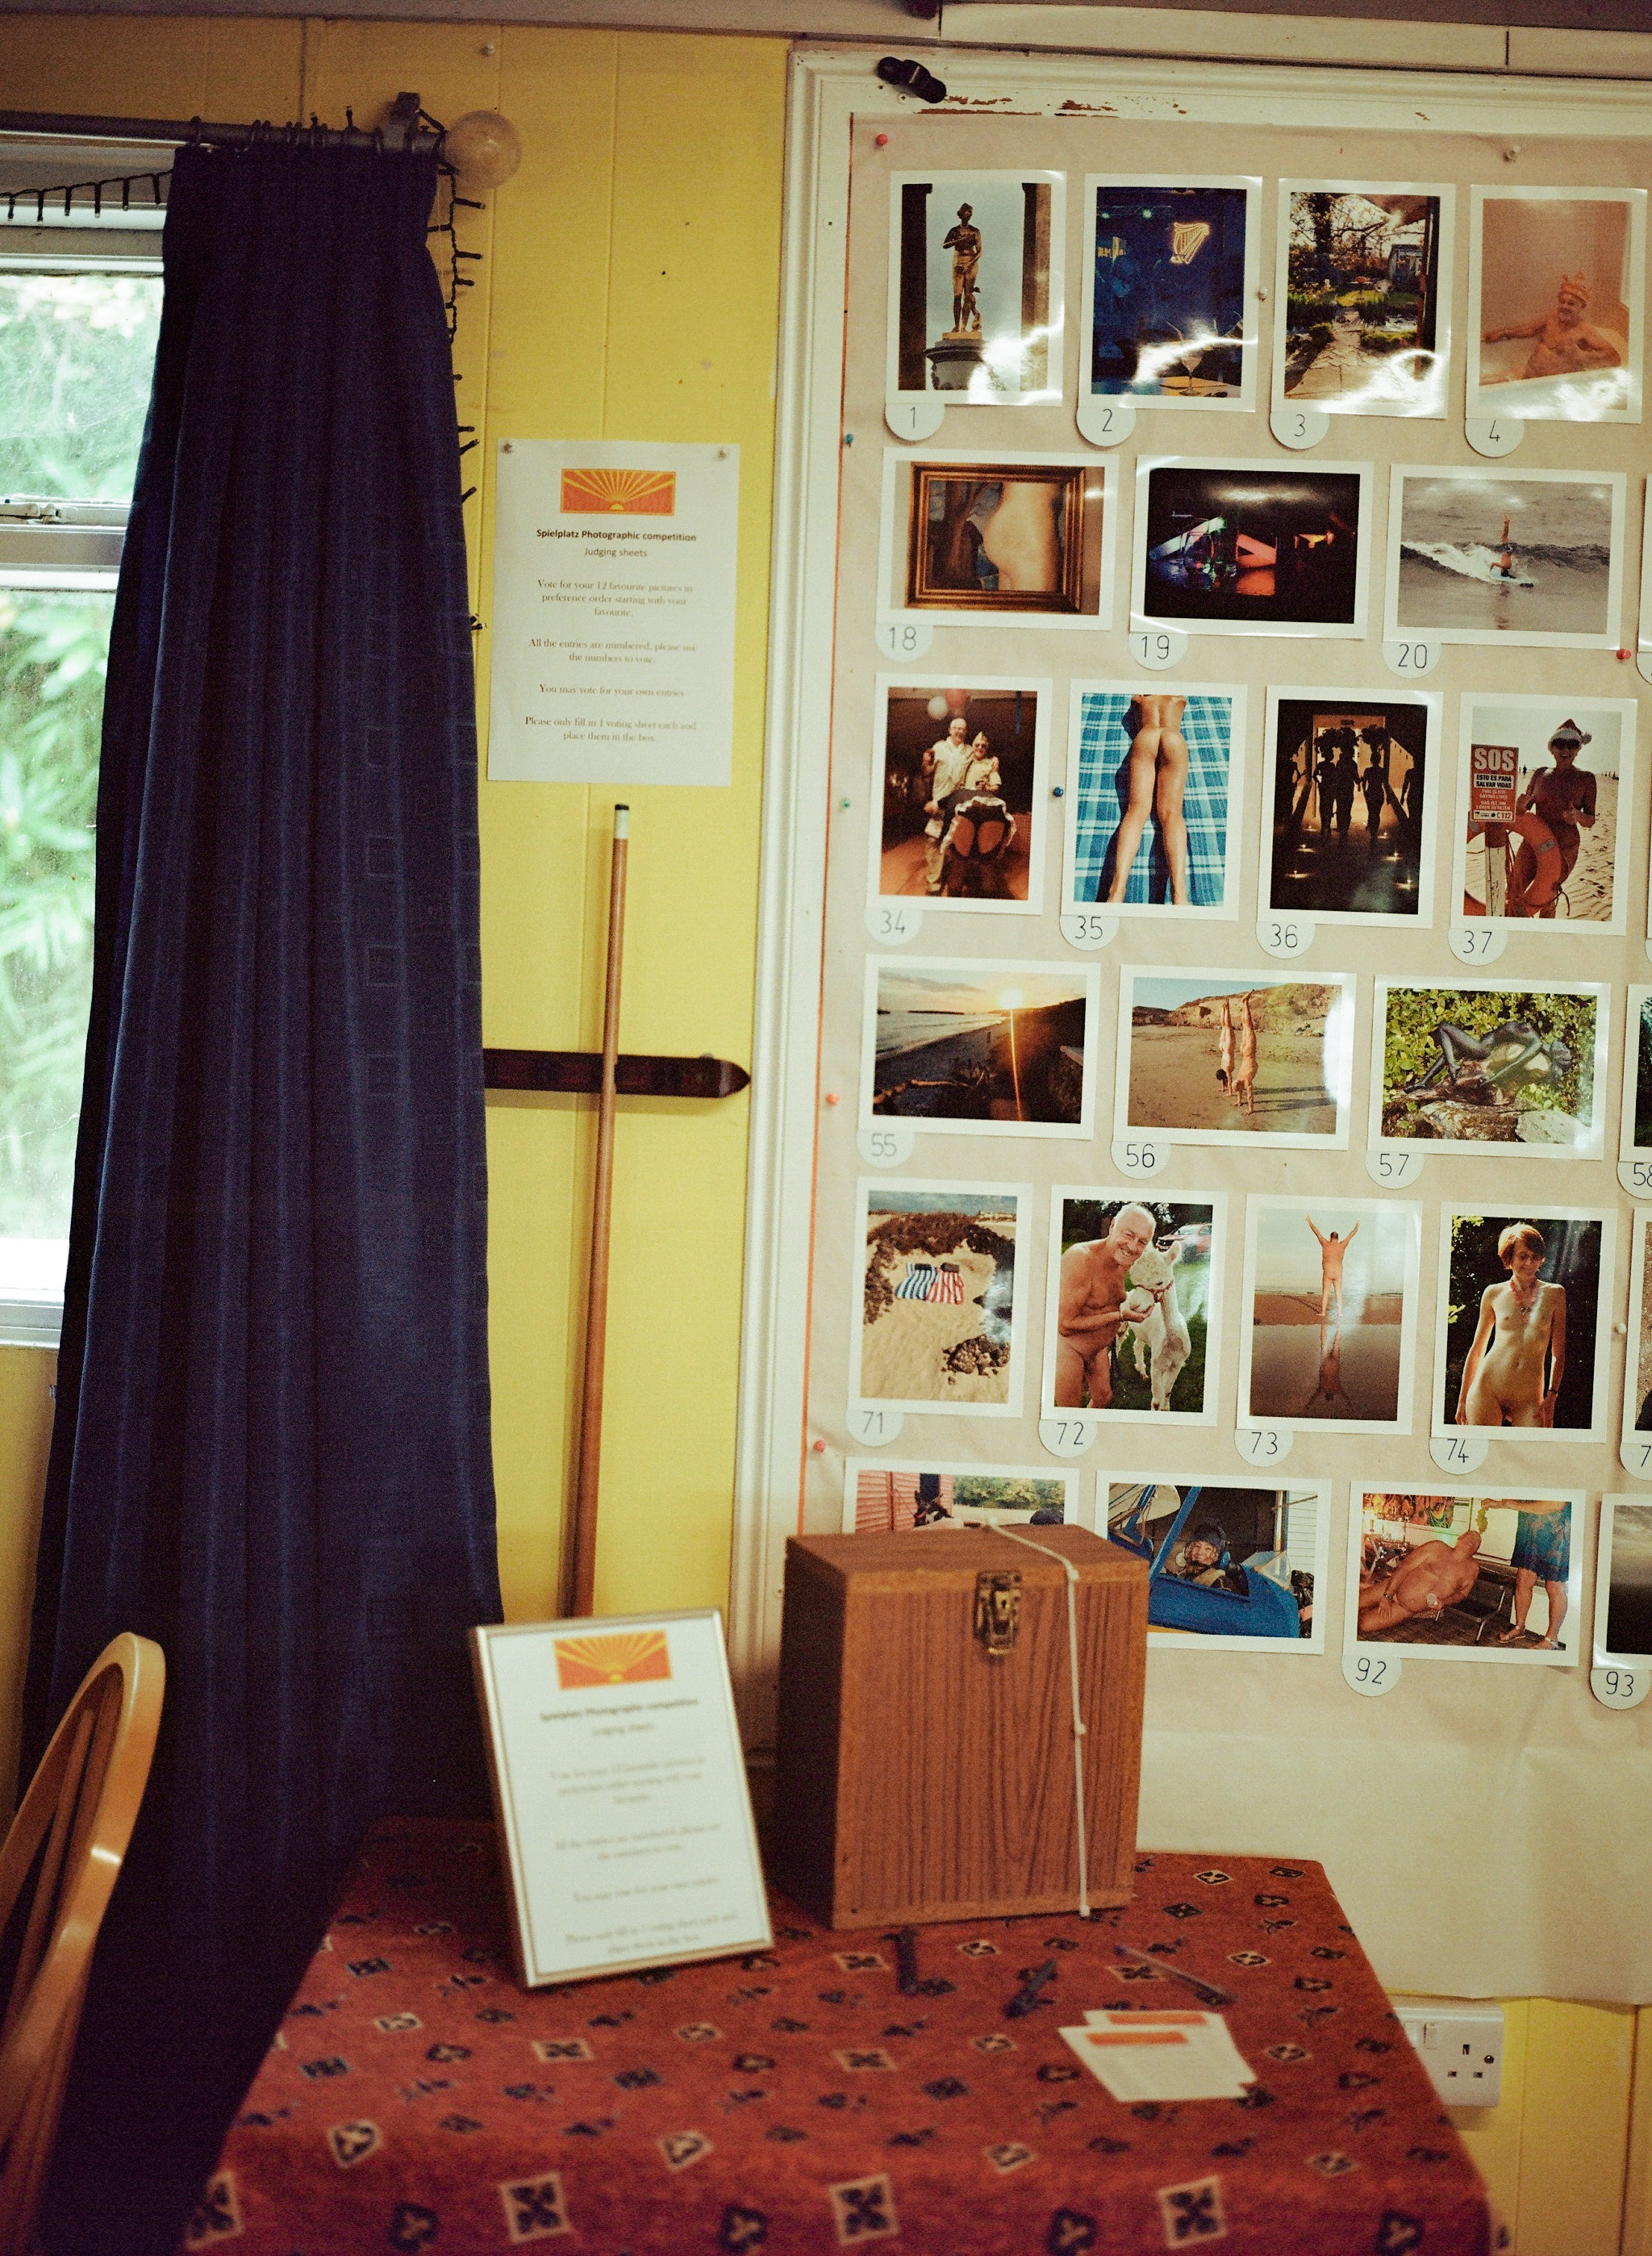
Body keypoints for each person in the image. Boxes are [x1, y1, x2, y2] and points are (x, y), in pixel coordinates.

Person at [1456, 1222, 1566, 1429]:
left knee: (1530, 1448)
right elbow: (1478, 1348)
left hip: (1529, 1398)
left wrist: (1552, 1396)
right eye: (1523, 1256)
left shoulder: (1555, 1294)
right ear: (1509, 1258)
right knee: (1483, 1447)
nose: (1529, 1263)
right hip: (1488, 1390)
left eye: (1535, 1257)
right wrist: (1462, 1400)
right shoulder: (1493, 1293)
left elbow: (1558, 1353)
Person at [1055, 1204, 1159, 1410]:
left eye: (1142, 1242)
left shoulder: (1125, 1260)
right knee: (1070, 1412)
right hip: (1069, 1349)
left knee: (1104, 1398)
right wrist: (1119, 1316)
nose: (1132, 1247)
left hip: (1097, 1349)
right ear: (1113, 1226)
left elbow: (1157, 1269)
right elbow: (1064, 1324)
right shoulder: (1080, 1258)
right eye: (1128, 1235)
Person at [1103, 693, 1191, 908]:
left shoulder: (1139, 698)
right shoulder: (1178, 696)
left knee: (1135, 812)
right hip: (1173, 736)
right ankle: (1179, 895)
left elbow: (1134, 717)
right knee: (1172, 814)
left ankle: (1116, 891)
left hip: (1146, 737)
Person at [1512, 718, 1596, 918]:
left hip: (1564, 846)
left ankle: (1544, 932)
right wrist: (1519, 805)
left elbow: (1591, 820)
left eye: (1572, 744)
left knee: (1546, 897)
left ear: (1578, 749)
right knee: (1514, 888)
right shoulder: (1540, 774)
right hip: (1533, 842)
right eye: (1560, 744)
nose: (1565, 750)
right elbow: (1523, 810)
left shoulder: (1586, 779)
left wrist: (1578, 816)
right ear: (1551, 748)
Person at [1483, 269, 1626, 380]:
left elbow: (1614, 357)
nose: (1564, 306)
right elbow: (1530, 329)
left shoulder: (1584, 329)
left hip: (1549, 386)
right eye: (1562, 302)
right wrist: (1503, 333)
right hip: (1527, 374)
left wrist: (1581, 357)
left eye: (1571, 304)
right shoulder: (1552, 317)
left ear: (1581, 307)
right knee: (1482, 383)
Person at [1358, 1527, 1483, 1636]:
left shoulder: (1473, 1569)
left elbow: (1463, 1594)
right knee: (1354, 1604)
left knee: (1364, 1625)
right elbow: (1405, 1567)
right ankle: (1372, 1600)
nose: (1473, 1540)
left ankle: (1368, 1608)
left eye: (1477, 1541)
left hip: (1405, 1609)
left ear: (1477, 1549)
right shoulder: (1437, 1547)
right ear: (1460, 1538)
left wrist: (1444, 1602)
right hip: (1393, 1588)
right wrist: (1387, 1596)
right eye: (1470, 1536)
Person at [1496, 1501, 1571, 1648]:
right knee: (1523, 1579)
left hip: (1559, 1528)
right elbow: (1520, 1500)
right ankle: (1519, 1628)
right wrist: (1498, 1503)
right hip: (1531, 1528)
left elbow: (1556, 1504)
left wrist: (1512, 1504)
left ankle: (1551, 1640)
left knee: (1554, 1586)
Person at [921, 715, 974, 896]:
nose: (959, 731)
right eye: (956, 728)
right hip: (940, 802)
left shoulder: (969, 751)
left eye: (963, 729)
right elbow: (927, 772)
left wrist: (995, 760)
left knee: (958, 844)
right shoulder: (939, 747)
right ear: (950, 730)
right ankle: (934, 884)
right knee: (934, 841)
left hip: (960, 805)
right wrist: (926, 763)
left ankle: (954, 883)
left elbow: (982, 760)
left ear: (966, 732)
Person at [1166, 1522, 1244, 1595]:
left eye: (1208, 1549)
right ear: (1189, 1550)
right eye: (1197, 1546)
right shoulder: (1184, 1576)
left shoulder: (1222, 1585)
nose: (1200, 1552)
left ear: (1216, 1556)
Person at [1307, 1217, 1359, 1325]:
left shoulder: (1325, 1244)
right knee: (1338, 1293)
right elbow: (1351, 1235)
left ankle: (1323, 1312)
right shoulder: (1342, 1245)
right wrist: (1356, 1228)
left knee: (1326, 1292)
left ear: (1331, 1237)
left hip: (1328, 1273)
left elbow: (1317, 1232)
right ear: (1337, 1238)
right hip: (1338, 1273)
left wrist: (1309, 1222)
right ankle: (1340, 1312)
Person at [943, 203, 982, 333]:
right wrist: (958, 241)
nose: (969, 214)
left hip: (971, 263)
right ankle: (956, 326)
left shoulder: (975, 231)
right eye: (967, 212)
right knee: (957, 295)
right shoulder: (954, 231)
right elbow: (945, 245)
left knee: (968, 295)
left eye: (971, 212)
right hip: (958, 262)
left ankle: (964, 326)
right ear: (961, 214)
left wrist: (970, 264)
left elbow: (979, 252)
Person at [1229, 992, 1258, 1117]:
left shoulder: (1244, 1079)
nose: (1239, 1092)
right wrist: (1239, 1101)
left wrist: (1250, 1109)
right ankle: (1244, 1002)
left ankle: (1245, 1003)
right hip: (1245, 1054)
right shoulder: (1240, 1080)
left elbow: (1250, 1095)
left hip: (1248, 1054)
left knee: (1248, 1027)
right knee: (1246, 1027)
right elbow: (1240, 1090)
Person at [1216, 995, 1234, 1097]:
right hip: (1223, 1049)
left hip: (1227, 1049)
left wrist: (1229, 1092)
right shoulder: (1222, 1067)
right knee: (1224, 1026)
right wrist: (1225, 1090)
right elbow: (1225, 1079)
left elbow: (1228, 1080)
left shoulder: (1226, 1069)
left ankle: (1226, 1008)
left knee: (1227, 1027)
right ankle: (1224, 1008)